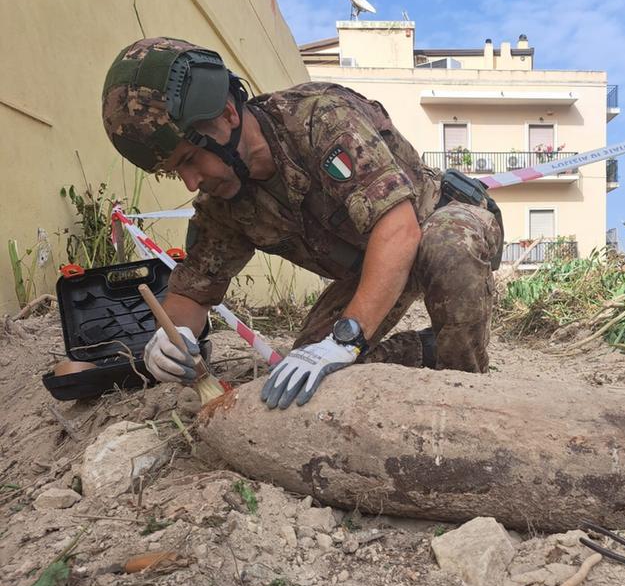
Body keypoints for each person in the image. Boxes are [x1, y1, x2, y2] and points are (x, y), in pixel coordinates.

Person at [101, 37, 503, 409]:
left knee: (448, 246)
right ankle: (429, 350)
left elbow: (398, 230)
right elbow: (192, 293)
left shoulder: (321, 119)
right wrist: (171, 337)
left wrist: (347, 338)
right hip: (372, 266)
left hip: (432, 221)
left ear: (226, 115)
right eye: (175, 173)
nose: (191, 181)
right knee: (303, 380)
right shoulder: (224, 201)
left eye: (190, 159)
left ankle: (468, 393)